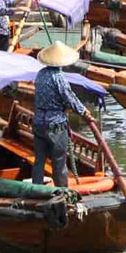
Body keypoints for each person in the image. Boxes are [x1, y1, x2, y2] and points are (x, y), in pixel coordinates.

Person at [32, 42, 88, 187]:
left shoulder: (40, 74)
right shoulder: (59, 77)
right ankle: (62, 193)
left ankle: (36, 190)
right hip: (55, 124)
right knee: (59, 162)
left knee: (39, 160)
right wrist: (83, 112)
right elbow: (69, 97)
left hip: (38, 122)